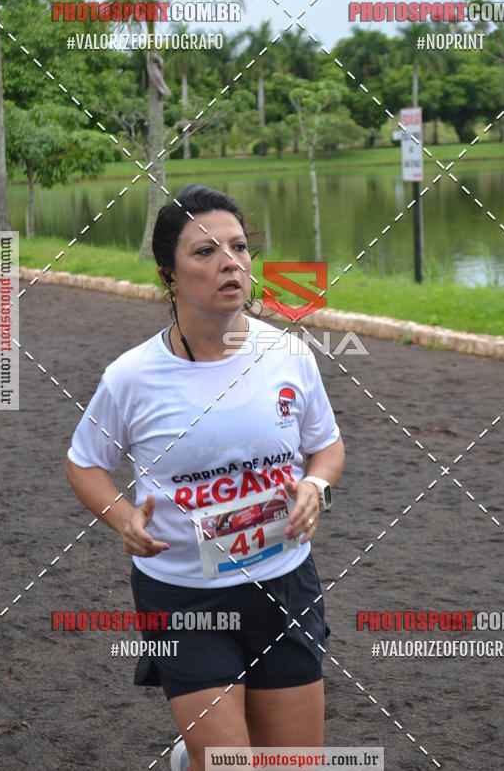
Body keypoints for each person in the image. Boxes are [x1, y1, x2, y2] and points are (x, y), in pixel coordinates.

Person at [65, 184, 345, 771]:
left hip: (282, 582)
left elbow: (327, 448)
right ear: (169, 275)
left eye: (240, 248)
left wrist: (315, 487)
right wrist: (122, 518)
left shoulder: (290, 353)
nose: (230, 263)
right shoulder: (132, 377)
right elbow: (85, 461)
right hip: (182, 597)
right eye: (206, 251)